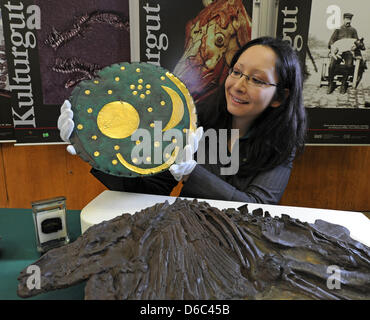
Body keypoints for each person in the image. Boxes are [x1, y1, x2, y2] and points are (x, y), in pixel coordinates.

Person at [58, 36, 307, 204]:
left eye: (257, 79)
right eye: (237, 72)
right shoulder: (196, 120)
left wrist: (191, 174)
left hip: (240, 252)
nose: (239, 85)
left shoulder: (282, 145)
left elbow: (258, 210)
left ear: (279, 97)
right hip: (185, 240)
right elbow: (150, 190)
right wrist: (94, 149)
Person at [327, 12, 359, 94]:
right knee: (331, 66)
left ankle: (344, 84)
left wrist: (355, 47)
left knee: (349, 65)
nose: (348, 21)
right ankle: (330, 84)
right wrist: (333, 49)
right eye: (347, 19)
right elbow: (331, 41)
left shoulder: (353, 30)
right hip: (338, 52)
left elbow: (357, 42)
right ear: (343, 19)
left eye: (350, 19)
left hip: (348, 52)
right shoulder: (338, 29)